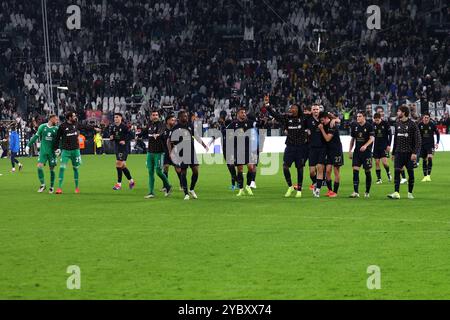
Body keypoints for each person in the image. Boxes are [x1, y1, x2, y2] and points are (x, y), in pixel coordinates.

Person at [266, 97, 308, 198]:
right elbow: (275, 115)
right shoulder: (286, 118)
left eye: (294, 108)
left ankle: (299, 189)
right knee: (285, 167)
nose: (292, 109)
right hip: (290, 147)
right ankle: (290, 186)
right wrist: (268, 106)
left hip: (301, 147)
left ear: (298, 109)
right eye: (291, 108)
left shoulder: (304, 119)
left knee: (300, 168)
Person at [53, 111, 100, 194]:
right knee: (62, 168)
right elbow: (57, 138)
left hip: (76, 151)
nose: (75, 117)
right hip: (66, 151)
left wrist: (94, 128)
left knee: (75, 168)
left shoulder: (76, 124)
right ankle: (59, 188)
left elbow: (86, 127)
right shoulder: (62, 126)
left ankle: (77, 188)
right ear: (69, 117)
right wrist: (56, 148)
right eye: (73, 116)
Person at [168, 110, 209, 200]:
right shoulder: (175, 128)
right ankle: (186, 193)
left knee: (196, 171)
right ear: (179, 118)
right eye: (184, 116)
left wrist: (204, 145)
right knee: (183, 172)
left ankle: (192, 189)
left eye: (186, 116)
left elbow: (196, 136)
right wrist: (170, 152)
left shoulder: (190, 125)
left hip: (191, 151)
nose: (186, 117)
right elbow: (169, 141)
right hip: (181, 153)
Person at [388, 105, 422, 199]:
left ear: (403, 113)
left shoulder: (412, 124)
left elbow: (418, 140)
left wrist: (415, 153)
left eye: (399, 111)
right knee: (396, 172)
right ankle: (396, 192)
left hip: (409, 153)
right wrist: (393, 153)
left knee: (410, 174)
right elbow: (395, 140)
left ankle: (410, 193)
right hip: (399, 153)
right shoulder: (397, 123)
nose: (397, 113)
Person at [225, 107, 259, 197]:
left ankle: (248, 186)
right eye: (242, 112)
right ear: (238, 114)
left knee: (251, 167)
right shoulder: (233, 124)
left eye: (244, 112)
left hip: (248, 148)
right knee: (240, 169)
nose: (244, 114)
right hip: (238, 149)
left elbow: (257, 124)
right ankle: (241, 189)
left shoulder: (249, 122)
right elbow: (226, 131)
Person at [141, 109, 172, 198]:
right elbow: (144, 132)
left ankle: (168, 186)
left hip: (159, 152)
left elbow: (162, 132)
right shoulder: (149, 125)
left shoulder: (161, 125)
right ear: (151, 116)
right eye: (153, 115)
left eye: (156, 115)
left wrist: (158, 134)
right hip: (150, 152)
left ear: (158, 116)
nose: (155, 116)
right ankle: (151, 192)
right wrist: (137, 135)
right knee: (150, 172)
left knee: (158, 172)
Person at [25, 114, 59, 193]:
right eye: (55, 119)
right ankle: (43, 185)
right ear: (51, 119)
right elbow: (35, 137)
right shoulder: (42, 127)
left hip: (52, 152)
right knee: (39, 166)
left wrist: (59, 149)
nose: (57, 121)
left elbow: (59, 140)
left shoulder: (56, 129)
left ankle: (51, 186)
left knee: (52, 169)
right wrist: (28, 145)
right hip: (43, 151)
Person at [349, 111, 375, 198]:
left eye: (360, 116)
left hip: (367, 153)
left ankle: (367, 192)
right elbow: (353, 139)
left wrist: (365, 145)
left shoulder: (369, 126)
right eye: (357, 116)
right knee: (355, 170)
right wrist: (350, 150)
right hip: (357, 152)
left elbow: (372, 139)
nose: (358, 118)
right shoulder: (354, 126)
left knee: (367, 171)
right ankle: (356, 192)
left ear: (364, 117)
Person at [318, 112, 343, 197]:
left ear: (326, 118)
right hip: (329, 151)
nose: (322, 122)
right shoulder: (326, 123)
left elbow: (328, 139)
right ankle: (330, 190)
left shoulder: (332, 125)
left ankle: (335, 192)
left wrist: (321, 129)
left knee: (336, 171)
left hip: (336, 151)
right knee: (328, 171)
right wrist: (335, 118)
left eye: (322, 120)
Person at [305, 104, 326, 197]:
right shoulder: (308, 119)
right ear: (312, 110)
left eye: (317, 109)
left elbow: (335, 119)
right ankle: (315, 183)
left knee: (320, 168)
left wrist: (334, 120)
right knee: (312, 171)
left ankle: (318, 190)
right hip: (312, 148)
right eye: (314, 109)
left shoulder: (323, 118)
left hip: (322, 148)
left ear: (319, 110)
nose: (316, 111)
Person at [109, 113, 135, 191]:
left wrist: (125, 140)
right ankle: (131, 181)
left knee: (118, 164)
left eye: (117, 117)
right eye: (114, 117)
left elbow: (132, 135)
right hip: (117, 148)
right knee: (122, 166)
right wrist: (111, 138)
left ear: (120, 118)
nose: (115, 119)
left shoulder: (124, 127)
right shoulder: (113, 127)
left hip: (124, 148)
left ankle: (119, 184)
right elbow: (112, 137)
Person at [161, 114, 182, 190]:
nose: (174, 121)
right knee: (165, 168)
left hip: (175, 152)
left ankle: (182, 184)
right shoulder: (163, 130)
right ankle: (165, 185)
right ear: (168, 121)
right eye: (172, 120)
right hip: (166, 152)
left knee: (178, 169)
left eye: (174, 120)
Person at [418, 112, 440, 182]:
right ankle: (425, 176)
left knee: (430, 158)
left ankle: (428, 176)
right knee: (424, 160)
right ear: (423, 118)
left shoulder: (432, 124)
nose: (426, 119)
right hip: (422, 145)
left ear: (429, 118)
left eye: (427, 118)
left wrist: (437, 143)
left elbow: (437, 133)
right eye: (425, 117)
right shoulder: (419, 125)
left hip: (430, 145)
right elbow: (416, 134)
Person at [372, 112, 392, 184]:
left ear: (381, 118)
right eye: (375, 120)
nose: (376, 121)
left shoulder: (385, 124)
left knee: (384, 163)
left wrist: (389, 145)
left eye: (378, 120)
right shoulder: (373, 124)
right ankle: (379, 179)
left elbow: (390, 135)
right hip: (376, 146)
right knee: (377, 162)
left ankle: (388, 173)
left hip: (384, 146)